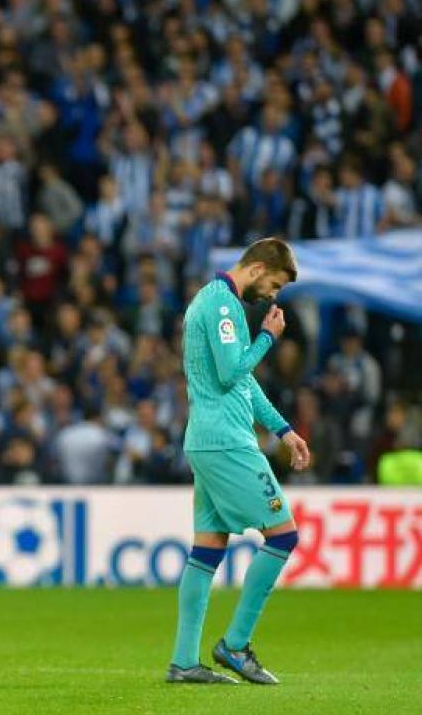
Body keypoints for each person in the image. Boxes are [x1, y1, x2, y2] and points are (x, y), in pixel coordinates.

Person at [167, 238, 312, 685]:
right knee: (283, 535)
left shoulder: (213, 301)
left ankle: (184, 661)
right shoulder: (223, 306)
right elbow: (234, 374)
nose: (272, 295)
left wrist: (284, 430)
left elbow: (242, 382)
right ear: (259, 268)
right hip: (228, 443)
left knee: (207, 548)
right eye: (275, 284)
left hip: (206, 440)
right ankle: (235, 645)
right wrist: (268, 337)